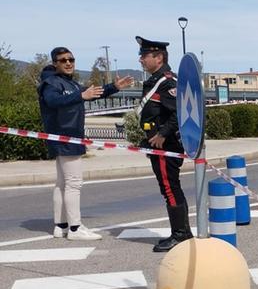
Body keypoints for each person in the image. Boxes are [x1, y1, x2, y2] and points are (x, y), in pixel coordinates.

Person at [37, 47, 133, 240]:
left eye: (71, 59)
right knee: (74, 184)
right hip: (66, 137)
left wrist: (114, 87)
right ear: (55, 63)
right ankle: (75, 229)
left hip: (67, 137)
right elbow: (53, 101)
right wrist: (80, 96)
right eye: (63, 60)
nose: (68, 63)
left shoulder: (68, 83)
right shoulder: (51, 83)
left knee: (63, 183)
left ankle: (61, 226)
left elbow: (92, 93)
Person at [136, 36, 193, 252]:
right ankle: (182, 232)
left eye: (144, 56)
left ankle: (180, 235)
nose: (141, 60)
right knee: (169, 187)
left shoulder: (167, 81)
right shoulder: (155, 80)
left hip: (166, 145)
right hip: (158, 144)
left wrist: (161, 134)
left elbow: (180, 111)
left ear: (158, 57)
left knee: (170, 188)